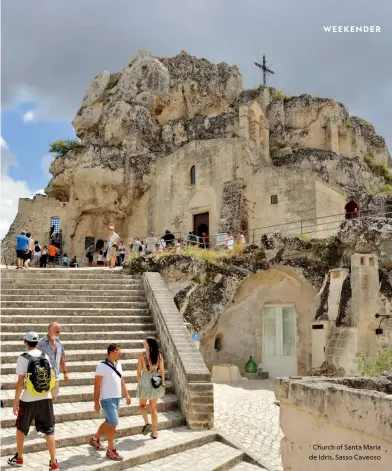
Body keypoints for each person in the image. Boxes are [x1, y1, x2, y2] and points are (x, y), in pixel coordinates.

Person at [7, 331, 59, 470]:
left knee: (21, 428)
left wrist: (15, 401)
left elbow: (20, 383)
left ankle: (19, 458)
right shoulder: (45, 355)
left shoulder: (23, 357)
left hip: (28, 399)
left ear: (25, 342)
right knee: (49, 431)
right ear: (37, 342)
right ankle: (54, 463)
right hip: (45, 398)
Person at [90, 344, 131, 461]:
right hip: (107, 399)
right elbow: (97, 385)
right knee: (113, 422)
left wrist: (126, 394)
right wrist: (96, 402)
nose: (121, 353)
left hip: (117, 398)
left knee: (109, 421)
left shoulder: (118, 364)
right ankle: (111, 450)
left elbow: (121, 380)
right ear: (112, 352)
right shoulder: (101, 366)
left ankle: (95, 438)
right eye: (119, 351)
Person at [136, 337, 165, 439]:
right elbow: (161, 372)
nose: (143, 342)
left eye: (145, 341)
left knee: (142, 406)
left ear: (148, 344)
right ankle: (154, 432)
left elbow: (139, 372)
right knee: (153, 409)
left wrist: (139, 384)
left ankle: (147, 423)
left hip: (145, 381)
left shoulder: (141, 355)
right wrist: (163, 384)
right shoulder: (159, 356)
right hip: (156, 381)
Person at [37, 323, 68, 401]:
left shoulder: (59, 343)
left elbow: (61, 358)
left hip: (55, 376)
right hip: (44, 377)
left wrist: (65, 373)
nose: (58, 334)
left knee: (53, 398)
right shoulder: (41, 343)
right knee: (43, 399)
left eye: (59, 332)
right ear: (49, 331)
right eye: (56, 332)